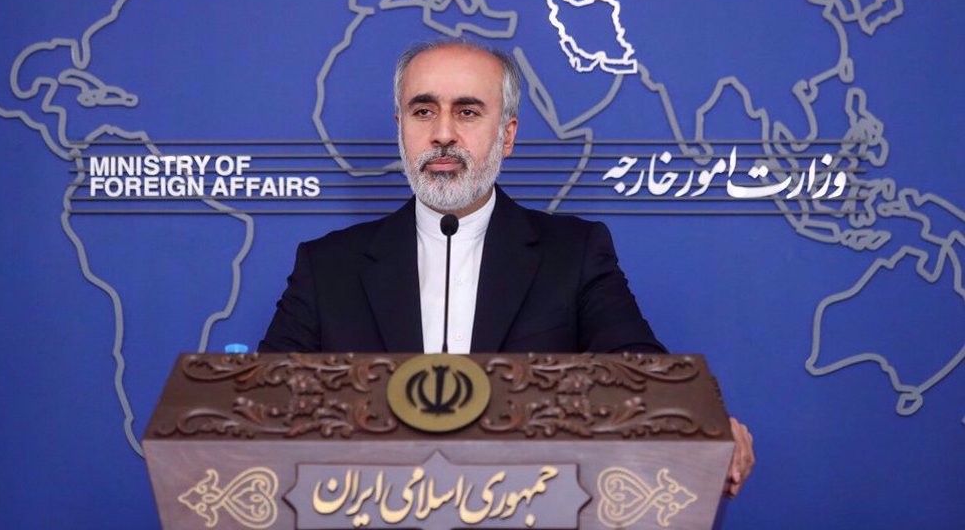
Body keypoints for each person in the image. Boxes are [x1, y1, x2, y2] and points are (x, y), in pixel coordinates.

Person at [259, 39, 754, 495]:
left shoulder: (574, 252)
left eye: (468, 111)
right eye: (423, 110)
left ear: (507, 134)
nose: (443, 134)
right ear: (400, 128)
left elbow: (639, 367)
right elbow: (262, 403)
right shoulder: (327, 265)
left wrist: (699, 419)